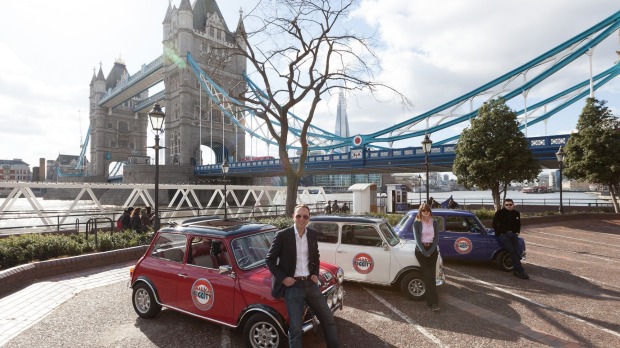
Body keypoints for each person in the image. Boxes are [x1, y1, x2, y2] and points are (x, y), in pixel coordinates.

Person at [265, 204, 339, 348]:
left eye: (305, 216)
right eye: (298, 215)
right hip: (293, 286)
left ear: (308, 219)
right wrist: (283, 278)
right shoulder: (282, 235)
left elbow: (316, 256)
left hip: (310, 284)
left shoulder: (311, 234)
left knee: (328, 318)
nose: (301, 219)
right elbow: (269, 259)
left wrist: (315, 274)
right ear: (293, 217)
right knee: (296, 329)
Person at [413, 202, 440, 312]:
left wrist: (431, 251)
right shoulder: (416, 223)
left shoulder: (435, 223)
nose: (426, 212)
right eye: (423, 211)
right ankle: (432, 303)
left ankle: (432, 302)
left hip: (432, 251)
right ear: (420, 211)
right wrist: (425, 252)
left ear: (430, 211)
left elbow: (436, 239)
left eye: (427, 210)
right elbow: (417, 240)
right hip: (421, 251)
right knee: (427, 276)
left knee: (432, 276)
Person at [492, 199, 529, 279]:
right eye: (507, 205)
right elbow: (494, 224)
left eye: (510, 204)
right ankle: (520, 270)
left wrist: (517, 232)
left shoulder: (516, 213)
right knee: (511, 251)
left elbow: (518, 223)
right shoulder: (500, 213)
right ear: (504, 205)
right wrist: (500, 232)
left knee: (517, 250)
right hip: (503, 235)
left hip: (513, 234)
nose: (509, 206)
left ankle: (516, 269)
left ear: (513, 204)